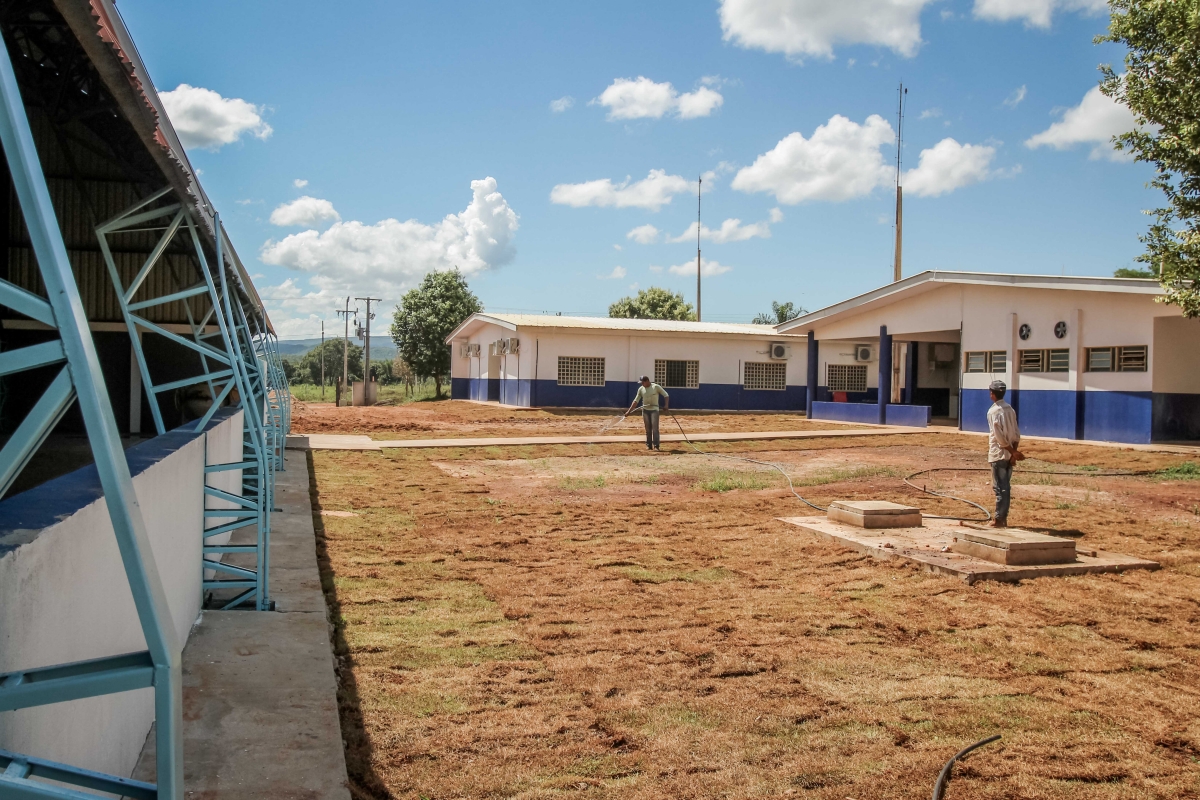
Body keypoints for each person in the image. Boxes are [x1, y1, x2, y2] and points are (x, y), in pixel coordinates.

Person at [986, 379, 1021, 528]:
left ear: (992, 394)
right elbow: (1016, 433)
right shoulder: (1010, 410)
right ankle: (1002, 518)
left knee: (1000, 488)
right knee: (1005, 486)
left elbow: (999, 436)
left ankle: (999, 520)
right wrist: (1014, 453)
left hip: (999, 453)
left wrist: (1012, 451)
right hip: (1009, 454)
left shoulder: (993, 411)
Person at [626, 375, 669, 451]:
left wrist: (666, 405)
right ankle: (649, 445)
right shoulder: (641, 389)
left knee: (655, 428)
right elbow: (636, 401)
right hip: (645, 410)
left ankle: (656, 446)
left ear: (647, 381)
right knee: (647, 429)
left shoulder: (655, 387)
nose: (642, 384)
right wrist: (629, 411)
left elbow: (666, 395)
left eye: (643, 383)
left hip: (654, 410)